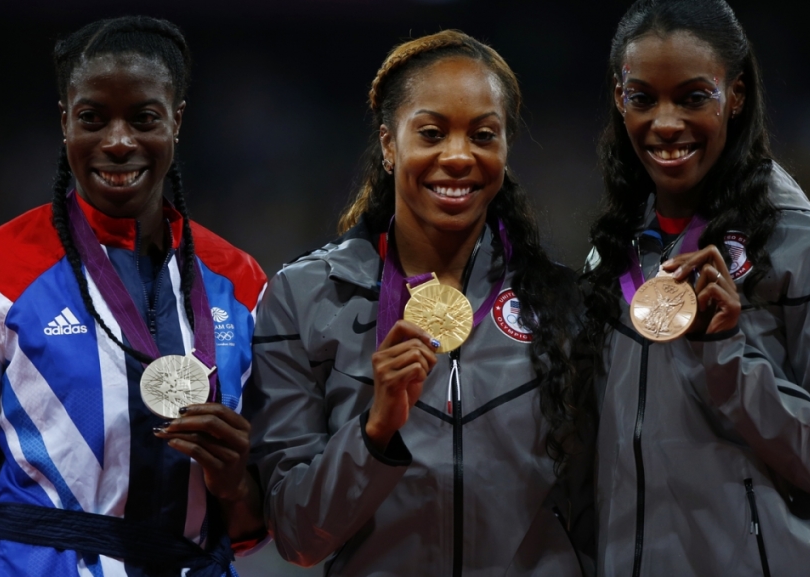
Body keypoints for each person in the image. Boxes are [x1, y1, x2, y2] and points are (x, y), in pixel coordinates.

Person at [247, 29, 593, 576]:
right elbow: (295, 534)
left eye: (483, 135)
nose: (458, 156)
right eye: (431, 133)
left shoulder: (562, 304)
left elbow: (598, 508)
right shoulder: (303, 297)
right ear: (390, 145)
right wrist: (374, 431)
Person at [583, 0, 810, 575]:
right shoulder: (613, 257)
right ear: (619, 100)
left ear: (736, 96)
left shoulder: (809, 251)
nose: (666, 123)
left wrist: (726, 358)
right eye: (643, 98)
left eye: (693, 97)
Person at [0, 16, 267, 576]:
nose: (118, 143)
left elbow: (252, 527)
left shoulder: (240, 280)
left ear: (177, 122)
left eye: (144, 119)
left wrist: (235, 480)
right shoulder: (6, 268)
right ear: (65, 123)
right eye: (93, 119)